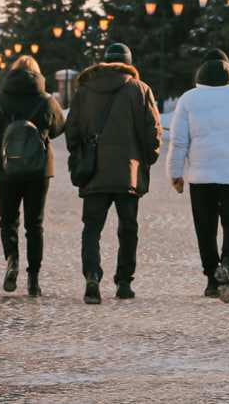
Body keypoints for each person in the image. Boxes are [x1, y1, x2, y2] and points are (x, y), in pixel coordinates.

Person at [166, 49, 229, 303]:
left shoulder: (188, 99)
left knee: (206, 228)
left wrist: (175, 173)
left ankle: (212, 280)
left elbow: (179, 141)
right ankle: (228, 265)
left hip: (201, 177)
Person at [66, 43, 162, 304]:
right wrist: (145, 160)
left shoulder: (85, 91)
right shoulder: (140, 90)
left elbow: (71, 130)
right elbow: (153, 132)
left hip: (94, 170)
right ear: (128, 63)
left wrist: (78, 158)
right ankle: (123, 283)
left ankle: (92, 276)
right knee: (128, 228)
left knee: (92, 228)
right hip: (128, 172)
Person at [0, 55, 66, 296]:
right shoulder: (47, 101)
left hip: (6, 170)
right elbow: (58, 129)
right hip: (39, 170)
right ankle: (33, 279)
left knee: (8, 220)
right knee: (35, 225)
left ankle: (12, 260)